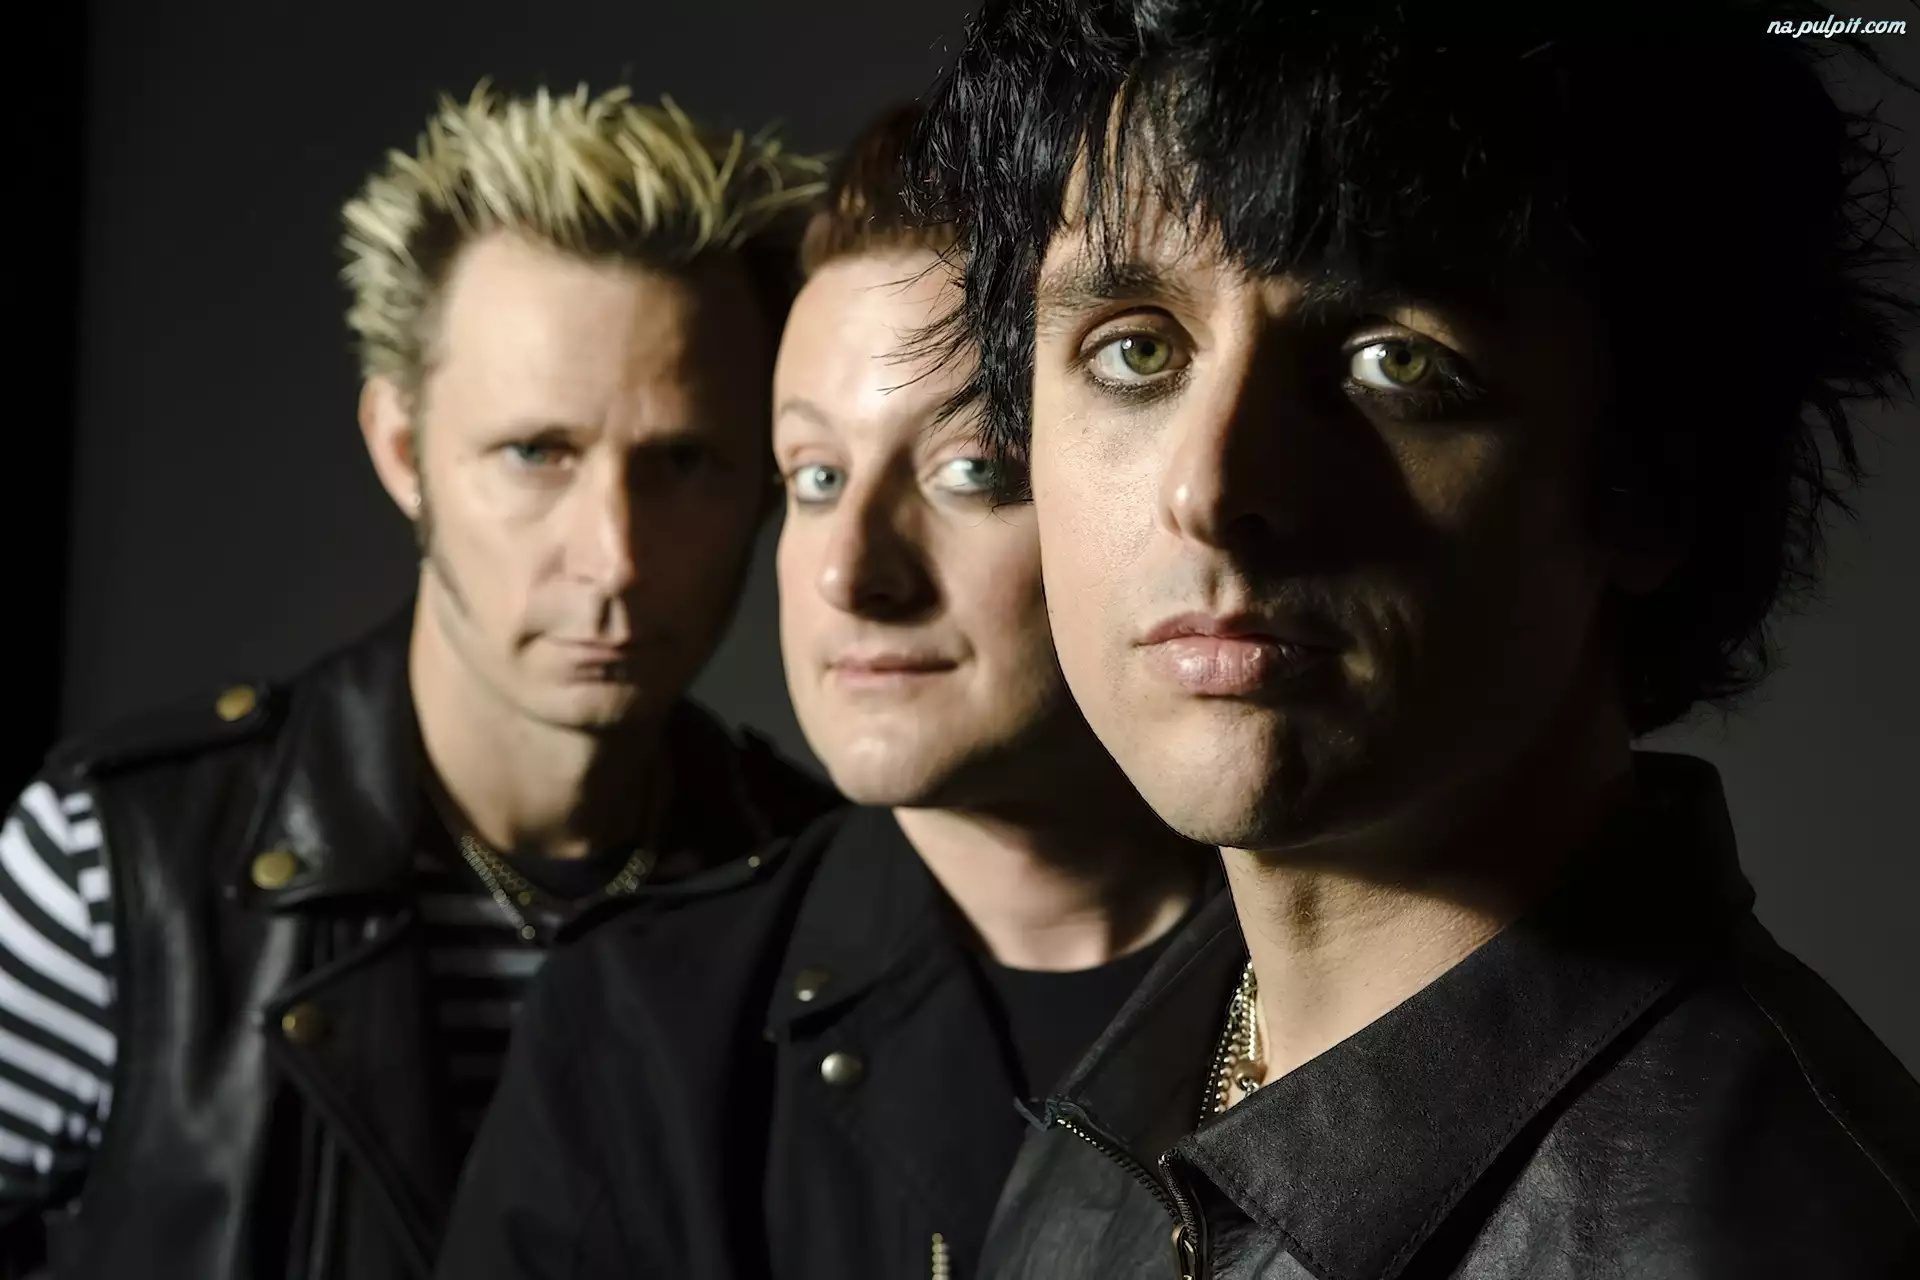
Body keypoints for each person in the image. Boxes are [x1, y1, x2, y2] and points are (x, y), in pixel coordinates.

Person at [895, 2, 1920, 1276]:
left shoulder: (1772, 1237)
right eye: (1138, 349)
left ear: (1651, 479)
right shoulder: (1141, 1082)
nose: (1211, 486)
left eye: (1397, 362)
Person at [0, 83, 835, 1280]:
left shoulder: (824, 894)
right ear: (403, 450)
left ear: (766, 474)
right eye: (536, 453)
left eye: (685, 461)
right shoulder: (116, 868)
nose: (614, 556)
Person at [433, 104, 1216, 1280]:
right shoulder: (640, 1023)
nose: (852, 572)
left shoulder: (1367, 985)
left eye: (969, 470)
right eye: (814, 475)